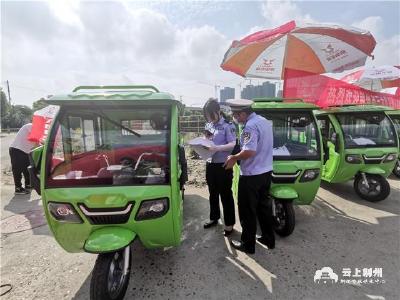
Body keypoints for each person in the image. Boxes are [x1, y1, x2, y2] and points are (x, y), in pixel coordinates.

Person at [224, 99, 275, 254]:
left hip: (251, 175)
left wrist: (233, 158)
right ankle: (268, 239)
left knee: (247, 211)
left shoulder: (250, 126)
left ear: (243, 113)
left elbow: (249, 151)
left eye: (235, 115)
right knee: (263, 208)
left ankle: (248, 244)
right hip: (266, 172)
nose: (234, 118)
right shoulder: (264, 121)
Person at [202, 99, 236, 236]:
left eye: (211, 115)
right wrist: (203, 144)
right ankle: (214, 217)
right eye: (207, 116)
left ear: (217, 111)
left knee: (226, 195)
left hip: (223, 165)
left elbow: (233, 143)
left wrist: (218, 148)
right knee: (213, 193)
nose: (209, 118)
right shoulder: (209, 124)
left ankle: (229, 224)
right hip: (210, 164)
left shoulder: (228, 125)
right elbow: (207, 139)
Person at [9, 123, 38, 194]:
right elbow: (35, 141)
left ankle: (28, 185)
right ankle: (18, 188)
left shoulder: (36, 129)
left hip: (25, 151)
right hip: (17, 149)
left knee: (27, 169)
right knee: (17, 170)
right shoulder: (30, 126)